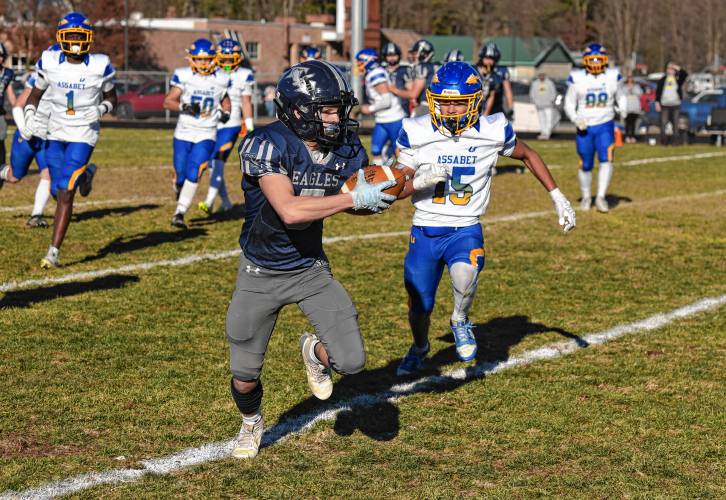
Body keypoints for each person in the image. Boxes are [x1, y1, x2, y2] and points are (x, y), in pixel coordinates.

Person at [226, 60, 398, 459]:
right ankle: (251, 423)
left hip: (309, 268)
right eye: (326, 109)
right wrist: (353, 199)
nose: (336, 117)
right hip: (260, 272)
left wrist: (377, 198)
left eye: (338, 107)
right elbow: (289, 210)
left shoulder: (347, 149)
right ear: (297, 109)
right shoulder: (267, 143)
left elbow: (348, 203)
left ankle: (312, 351)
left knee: (352, 361)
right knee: (245, 375)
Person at [393, 61, 576, 375]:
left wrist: (557, 196)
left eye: (457, 103)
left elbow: (528, 155)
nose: (450, 110)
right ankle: (420, 346)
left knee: (467, 273)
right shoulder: (415, 131)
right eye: (444, 103)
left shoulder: (492, 130)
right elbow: (395, 189)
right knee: (420, 305)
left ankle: (460, 320)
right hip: (425, 228)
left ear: (474, 102)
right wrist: (420, 181)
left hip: (465, 227)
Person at [8, 13, 117, 268]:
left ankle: (53, 252)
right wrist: (30, 112)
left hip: (83, 134)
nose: (77, 43)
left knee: (66, 190)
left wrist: (102, 109)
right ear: (62, 38)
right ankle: (87, 174)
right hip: (55, 133)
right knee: (59, 191)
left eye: (81, 37)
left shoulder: (100, 64)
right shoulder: (49, 60)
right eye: (72, 37)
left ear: (89, 38)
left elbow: (114, 97)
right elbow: (35, 94)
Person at [163, 38, 231, 229]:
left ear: (214, 59)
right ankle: (178, 186)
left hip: (207, 133)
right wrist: (185, 106)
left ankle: (180, 212)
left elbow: (225, 100)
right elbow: (168, 101)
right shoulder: (184, 75)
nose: (204, 63)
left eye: (207, 59)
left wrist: (226, 112)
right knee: (182, 174)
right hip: (183, 133)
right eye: (200, 60)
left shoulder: (221, 78)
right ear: (191, 59)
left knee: (196, 171)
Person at [564, 43, 626, 213]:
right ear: (585, 60)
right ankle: (586, 196)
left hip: (605, 124)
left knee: (607, 160)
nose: (596, 62)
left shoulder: (613, 76)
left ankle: (600, 197)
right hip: (585, 127)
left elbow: (621, 96)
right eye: (593, 59)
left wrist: (623, 108)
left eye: (599, 58)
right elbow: (569, 103)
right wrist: (575, 118)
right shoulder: (577, 78)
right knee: (586, 164)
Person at [199, 38, 255, 215]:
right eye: (225, 59)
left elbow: (246, 102)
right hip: (212, 123)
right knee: (211, 164)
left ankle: (208, 202)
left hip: (232, 124)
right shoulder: (212, 71)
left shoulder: (245, 74)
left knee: (217, 161)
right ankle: (226, 202)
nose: (228, 63)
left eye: (231, 59)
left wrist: (250, 126)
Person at [0, 59, 56, 228]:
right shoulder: (39, 78)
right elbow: (18, 106)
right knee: (14, 177)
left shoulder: (68, 82)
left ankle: (36, 216)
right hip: (27, 136)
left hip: (46, 137)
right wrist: (24, 128)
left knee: (47, 174)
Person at [355, 48, 405, 165]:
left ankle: (403, 179)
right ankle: (380, 178)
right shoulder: (373, 73)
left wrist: (370, 108)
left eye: (361, 63)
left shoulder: (375, 74)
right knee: (376, 149)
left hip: (394, 119)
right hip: (382, 119)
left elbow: (386, 100)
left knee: (400, 153)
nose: (359, 66)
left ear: (369, 61)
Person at [388, 39, 435, 117]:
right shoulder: (432, 66)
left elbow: (413, 94)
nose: (412, 56)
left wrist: (394, 90)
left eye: (415, 53)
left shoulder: (422, 67)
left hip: (425, 107)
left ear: (422, 53)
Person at [476, 42, 513, 119]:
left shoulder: (497, 74)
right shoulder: (474, 71)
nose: (489, 61)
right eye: (486, 58)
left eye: (491, 59)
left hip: (494, 108)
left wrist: (510, 107)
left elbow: (507, 90)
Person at [655, 62, 687, 146]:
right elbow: (658, 92)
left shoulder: (677, 79)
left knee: (675, 124)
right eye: (669, 68)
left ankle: (675, 142)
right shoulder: (663, 80)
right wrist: (657, 103)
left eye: (672, 69)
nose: (670, 70)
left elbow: (685, 74)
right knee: (663, 123)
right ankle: (663, 141)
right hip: (665, 105)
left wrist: (677, 67)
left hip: (675, 105)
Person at [381, 42, 413, 116]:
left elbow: (411, 89)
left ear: (399, 56)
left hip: (402, 107)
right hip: (385, 107)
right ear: (384, 56)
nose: (392, 58)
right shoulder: (381, 70)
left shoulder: (405, 70)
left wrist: (396, 90)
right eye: (389, 55)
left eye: (394, 55)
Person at [0, 42, 16, 165]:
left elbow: (10, 93)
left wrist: (17, 108)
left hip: (0, 113)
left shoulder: (7, 73)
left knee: (1, 140)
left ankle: (1, 168)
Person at [529, 72, 558, 140]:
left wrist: (551, 100)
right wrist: (534, 102)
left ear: (545, 75)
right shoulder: (535, 83)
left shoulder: (550, 83)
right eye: (540, 75)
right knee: (541, 120)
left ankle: (547, 133)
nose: (541, 76)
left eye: (542, 75)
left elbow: (553, 93)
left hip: (548, 105)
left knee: (549, 119)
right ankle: (543, 132)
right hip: (539, 105)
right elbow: (532, 94)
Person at [623, 75, 642, 143]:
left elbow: (640, 93)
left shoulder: (636, 86)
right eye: (629, 80)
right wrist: (628, 89)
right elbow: (623, 94)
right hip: (627, 108)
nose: (630, 82)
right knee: (627, 123)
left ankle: (633, 136)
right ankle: (627, 136)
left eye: (631, 80)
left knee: (633, 123)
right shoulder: (624, 87)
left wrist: (633, 88)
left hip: (635, 108)